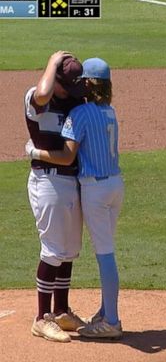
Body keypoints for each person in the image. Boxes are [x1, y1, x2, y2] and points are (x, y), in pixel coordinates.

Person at [26, 57, 125, 339]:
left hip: (92, 188)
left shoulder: (79, 113)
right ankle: (93, 313)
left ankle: (110, 319)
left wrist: (34, 152)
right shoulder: (110, 111)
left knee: (94, 253)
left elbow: (68, 155)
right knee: (69, 249)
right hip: (114, 185)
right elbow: (42, 95)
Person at [25, 51, 87, 342]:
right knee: (52, 249)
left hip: (71, 180)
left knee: (69, 249)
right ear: (55, 78)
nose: (72, 92)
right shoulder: (36, 100)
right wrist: (51, 60)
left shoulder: (73, 98)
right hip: (47, 181)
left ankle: (61, 311)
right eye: (67, 85)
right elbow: (43, 92)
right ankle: (42, 317)